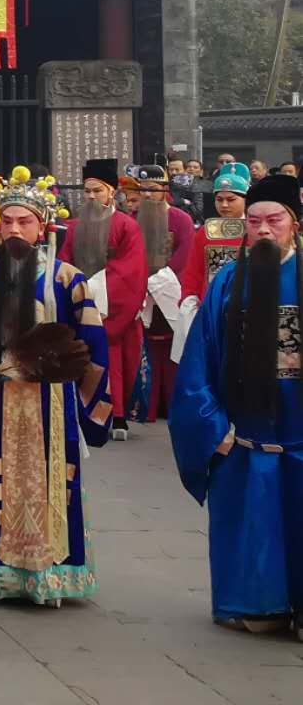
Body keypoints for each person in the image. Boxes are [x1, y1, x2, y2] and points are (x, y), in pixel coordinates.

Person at [0, 169, 109, 604]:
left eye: (25, 222)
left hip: (50, 402)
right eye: (8, 221)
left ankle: (50, 575)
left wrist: (84, 391)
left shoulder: (67, 279)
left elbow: (91, 344)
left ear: (42, 227)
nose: (15, 229)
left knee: (53, 483)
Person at [170, 171, 303, 636]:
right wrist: (211, 427)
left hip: (300, 427)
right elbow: (198, 363)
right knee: (252, 523)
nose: (263, 230)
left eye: (275, 220)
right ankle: (257, 604)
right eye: (254, 221)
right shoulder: (226, 282)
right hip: (245, 431)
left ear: (295, 224)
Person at [59, 159, 147, 442]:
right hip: (79, 301)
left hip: (113, 307)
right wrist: (72, 287)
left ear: (112, 192)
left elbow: (132, 268)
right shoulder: (74, 227)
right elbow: (64, 262)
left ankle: (117, 414)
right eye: (87, 192)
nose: (92, 197)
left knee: (115, 360)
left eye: (97, 191)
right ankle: (80, 414)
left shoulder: (126, 226)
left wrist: (95, 286)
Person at [129, 164, 203, 425]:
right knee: (146, 345)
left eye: (153, 189)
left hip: (170, 287)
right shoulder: (133, 218)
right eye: (143, 190)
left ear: (165, 190)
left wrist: (158, 281)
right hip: (139, 289)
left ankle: (170, 404)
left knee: (172, 346)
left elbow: (184, 256)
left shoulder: (180, 219)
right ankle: (147, 405)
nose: (148, 195)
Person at [186, 162, 250, 293]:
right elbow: (193, 272)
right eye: (219, 200)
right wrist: (189, 298)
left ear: (246, 200)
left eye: (231, 200)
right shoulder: (206, 231)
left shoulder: (256, 229)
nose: (224, 205)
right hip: (211, 300)